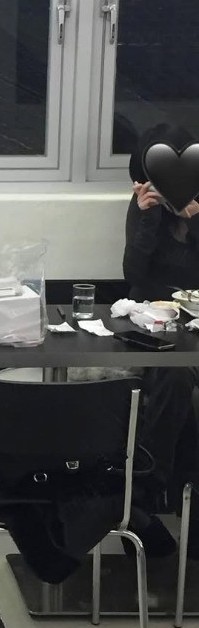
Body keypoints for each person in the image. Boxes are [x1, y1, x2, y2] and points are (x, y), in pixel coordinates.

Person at [124, 122, 199, 524]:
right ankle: (151, 486)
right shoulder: (143, 204)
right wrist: (149, 218)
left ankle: (159, 486)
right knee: (174, 374)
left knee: (181, 376)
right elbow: (134, 274)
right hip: (153, 318)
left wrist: (194, 219)